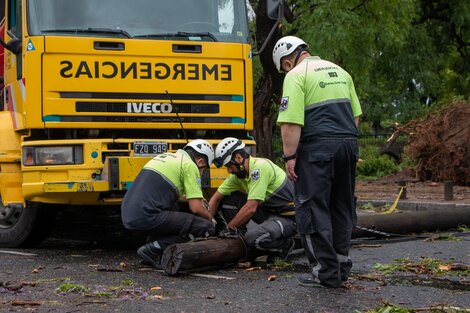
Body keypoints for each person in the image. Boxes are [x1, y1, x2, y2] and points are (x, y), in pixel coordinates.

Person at [273, 36, 362, 288]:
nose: (285, 72)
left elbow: (290, 122)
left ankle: (324, 272)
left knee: (312, 208)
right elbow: (355, 116)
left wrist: (290, 157)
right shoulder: (341, 71)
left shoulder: (296, 75)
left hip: (317, 148)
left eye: (283, 68)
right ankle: (341, 267)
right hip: (348, 145)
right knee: (342, 206)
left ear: (288, 61)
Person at [121, 139, 216, 269]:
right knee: (204, 227)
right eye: (204, 169)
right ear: (200, 161)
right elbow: (196, 208)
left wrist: (192, 198)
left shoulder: (165, 157)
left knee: (174, 208)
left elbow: (165, 192)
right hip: (148, 216)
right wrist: (211, 218)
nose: (202, 172)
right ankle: (153, 249)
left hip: (129, 215)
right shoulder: (190, 165)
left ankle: (151, 249)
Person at [209, 137, 296, 262]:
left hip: (289, 218)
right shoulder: (238, 177)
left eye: (229, 166)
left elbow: (250, 208)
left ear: (238, 158)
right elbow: (215, 198)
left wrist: (228, 230)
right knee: (231, 198)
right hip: (269, 212)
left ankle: (285, 245)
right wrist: (208, 226)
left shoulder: (259, 168)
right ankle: (239, 237)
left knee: (253, 238)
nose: (229, 171)